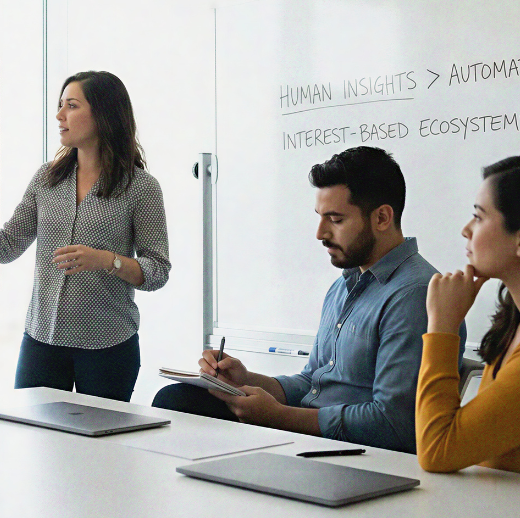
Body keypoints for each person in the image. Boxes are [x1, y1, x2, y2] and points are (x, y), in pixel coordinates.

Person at [154, 146, 461, 453]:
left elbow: (394, 424)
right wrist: (246, 379)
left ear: (381, 218)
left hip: (355, 453)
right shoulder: (343, 286)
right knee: (178, 399)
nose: (320, 233)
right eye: (320, 218)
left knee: (182, 410)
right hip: (309, 437)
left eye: (335, 220)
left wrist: (280, 417)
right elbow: (312, 382)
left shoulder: (415, 295)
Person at [0, 71, 170, 402]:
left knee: (99, 438)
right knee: (31, 431)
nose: (59, 116)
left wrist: (107, 260)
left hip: (108, 346)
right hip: (42, 342)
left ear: (103, 115)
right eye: (60, 105)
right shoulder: (47, 178)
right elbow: (5, 247)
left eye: (71, 106)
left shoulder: (141, 188)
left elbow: (157, 271)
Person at [416, 155, 520, 482]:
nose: (465, 230)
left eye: (478, 216)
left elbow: (438, 450)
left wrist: (442, 327)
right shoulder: (518, 322)